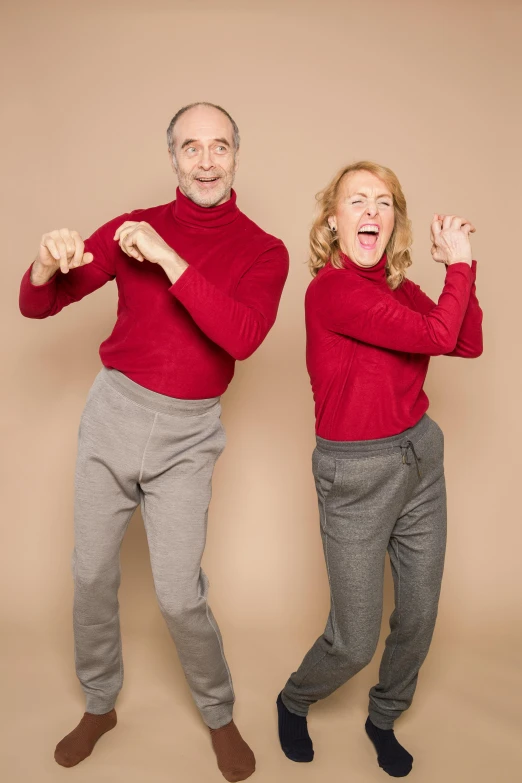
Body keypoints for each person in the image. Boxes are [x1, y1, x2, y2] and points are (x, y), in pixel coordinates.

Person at [19, 101, 289, 782]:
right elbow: (39, 302)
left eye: (218, 146)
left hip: (189, 436)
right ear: (173, 157)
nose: (205, 160)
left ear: (235, 156)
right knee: (89, 572)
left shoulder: (264, 250)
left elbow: (242, 336)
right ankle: (100, 701)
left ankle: (219, 712)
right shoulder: (131, 228)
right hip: (113, 414)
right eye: (190, 147)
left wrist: (169, 259)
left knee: (176, 592)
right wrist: (47, 264)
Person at [276, 161, 482, 777]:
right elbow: (443, 335)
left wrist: (457, 269)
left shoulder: (400, 288)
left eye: (384, 201)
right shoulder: (332, 291)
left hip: (420, 459)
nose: (371, 210)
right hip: (356, 477)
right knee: (355, 637)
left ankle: (384, 716)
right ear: (333, 221)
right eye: (357, 200)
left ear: (394, 222)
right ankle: (294, 699)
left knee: (419, 614)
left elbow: (464, 340)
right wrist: (463, 268)